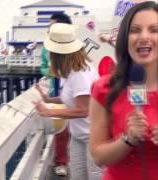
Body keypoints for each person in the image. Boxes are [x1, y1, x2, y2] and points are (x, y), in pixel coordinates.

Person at [89, 2, 158, 180]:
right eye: (135, 30)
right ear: (124, 38)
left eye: (154, 29)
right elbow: (98, 156)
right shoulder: (104, 89)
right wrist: (127, 140)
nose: (144, 37)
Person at [33, 23, 103, 180]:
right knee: (78, 175)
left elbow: (84, 109)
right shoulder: (70, 71)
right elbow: (72, 98)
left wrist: (49, 112)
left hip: (95, 136)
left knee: (94, 175)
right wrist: (48, 99)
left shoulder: (80, 73)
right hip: (80, 135)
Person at [36, 13, 72, 177]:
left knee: (74, 127)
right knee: (60, 128)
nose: (49, 29)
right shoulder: (46, 47)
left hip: (73, 90)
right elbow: (42, 67)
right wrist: (51, 72)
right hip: (56, 90)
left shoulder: (73, 46)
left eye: (52, 26)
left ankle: (65, 160)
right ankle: (61, 161)